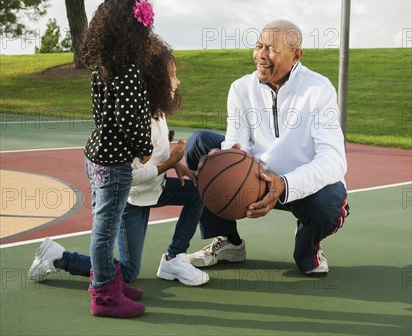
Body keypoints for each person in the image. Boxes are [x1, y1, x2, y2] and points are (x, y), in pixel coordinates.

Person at [28, 36, 208, 306]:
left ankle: (174, 258)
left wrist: (177, 165)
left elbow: (155, 153)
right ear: (156, 80)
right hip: (131, 199)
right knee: (129, 272)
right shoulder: (140, 119)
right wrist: (169, 164)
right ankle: (58, 257)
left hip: (153, 189)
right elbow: (130, 178)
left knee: (196, 192)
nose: (177, 81)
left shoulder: (157, 109)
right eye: (173, 75)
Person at [185, 20, 349, 277]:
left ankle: (308, 249)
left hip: (299, 187)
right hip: (257, 178)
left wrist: (284, 183)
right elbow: (236, 143)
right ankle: (229, 242)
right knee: (200, 146)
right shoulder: (241, 88)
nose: (261, 55)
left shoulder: (319, 89)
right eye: (258, 46)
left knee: (330, 202)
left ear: (296, 55)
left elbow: (334, 160)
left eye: (271, 49)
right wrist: (226, 158)